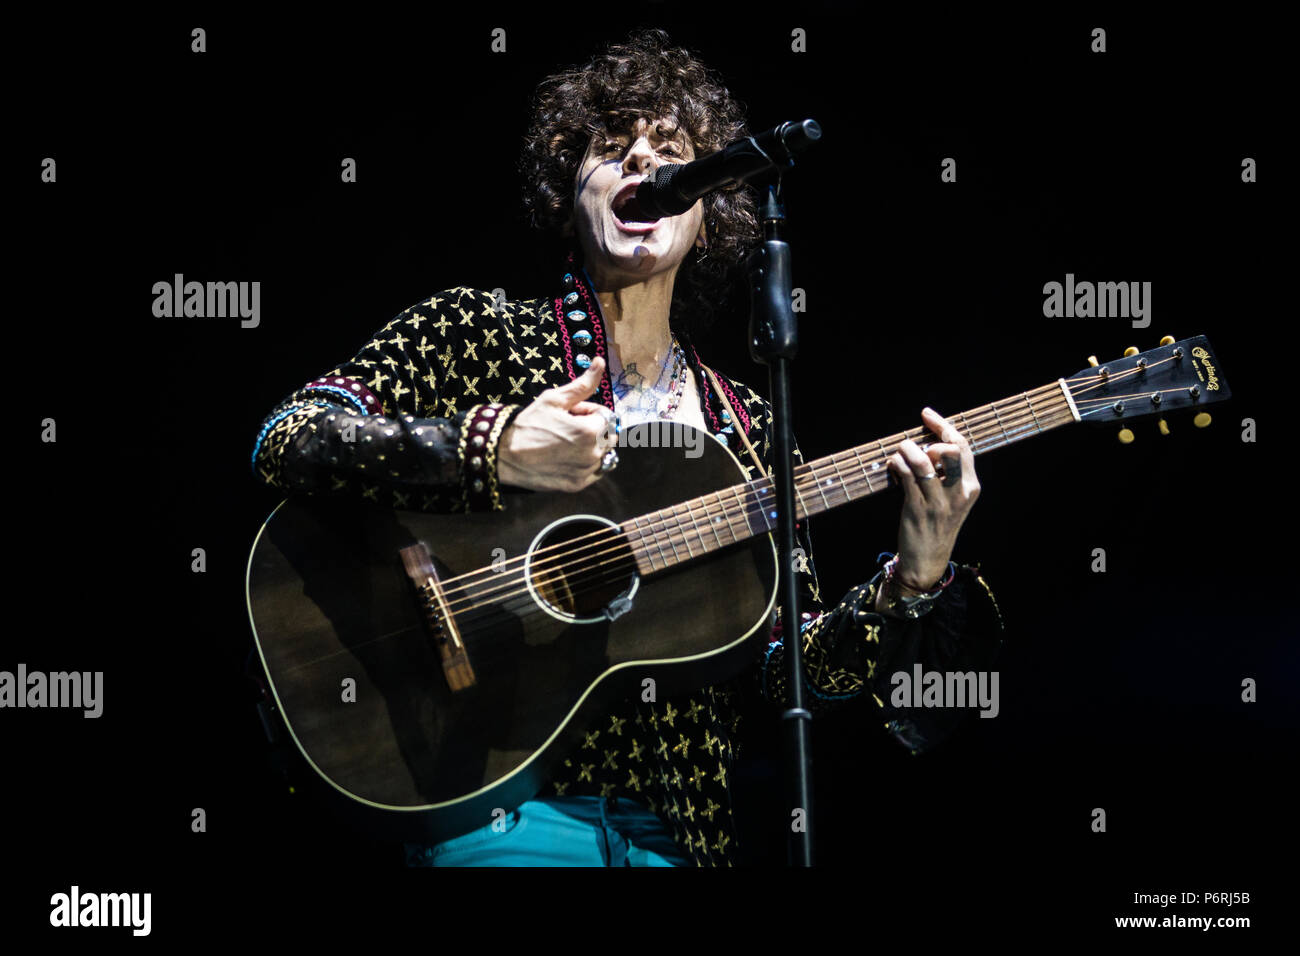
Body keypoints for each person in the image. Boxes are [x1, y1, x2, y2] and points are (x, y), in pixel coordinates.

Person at [250, 28, 1004, 867]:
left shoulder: (746, 421)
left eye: (671, 151)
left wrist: (913, 579)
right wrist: (492, 445)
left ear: (707, 217)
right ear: (569, 197)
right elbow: (292, 437)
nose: (643, 162)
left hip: (679, 836)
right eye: (612, 149)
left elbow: (790, 681)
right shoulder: (473, 331)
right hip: (498, 810)